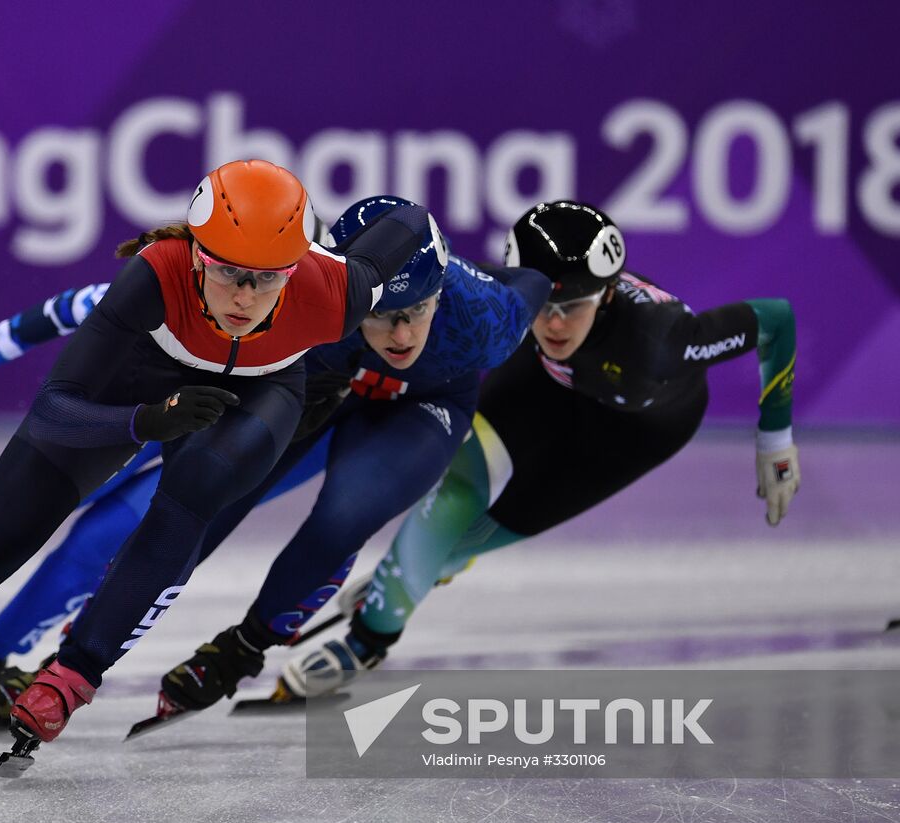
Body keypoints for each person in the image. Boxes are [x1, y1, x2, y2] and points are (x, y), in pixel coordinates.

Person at [0, 159, 434, 763]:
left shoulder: (332, 291)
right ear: (197, 255)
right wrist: (139, 421)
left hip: (260, 393)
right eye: (229, 271)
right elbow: (54, 405)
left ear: (296, 271)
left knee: (190, 497)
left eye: (267, 279)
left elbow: (407, 222)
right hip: (133, 390)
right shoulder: (155, 274)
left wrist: (321, 256)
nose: (243, 296)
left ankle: (74, 673)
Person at [281, 199, 800, 699]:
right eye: (543, 306)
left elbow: (775, 319)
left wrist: (775, 442)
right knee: (454, 491)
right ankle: (368, 639)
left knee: (465, 541)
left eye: (571, 307)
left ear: (608, 296)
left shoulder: (665, 340)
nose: (553, 324)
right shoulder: (519, 307)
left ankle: (423, 570)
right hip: (542, 385)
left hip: (634, 432)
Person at [141, 196, 549, 721]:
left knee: (344, 516)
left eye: (418, 310)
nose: (401, 336)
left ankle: (242, 647)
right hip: (322, 381)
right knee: (215, 484)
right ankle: (119, 603)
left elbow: (536, 281)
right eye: (381, 315)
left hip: (426, 403)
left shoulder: (487, 320)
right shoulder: (301, 294)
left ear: (441, 293)